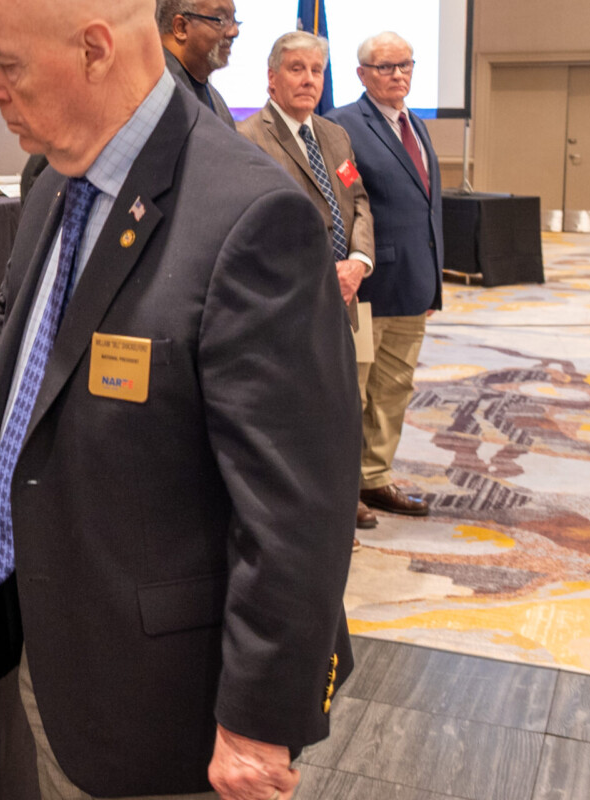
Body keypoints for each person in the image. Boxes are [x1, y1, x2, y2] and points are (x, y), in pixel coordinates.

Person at [0, 0, 358, 797]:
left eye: (5, 63)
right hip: (56, 636)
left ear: (95, 51)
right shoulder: (57, 177)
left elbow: (300, 506)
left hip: (174, 703)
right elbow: (23, 322)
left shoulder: (251, 217)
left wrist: (257, 720)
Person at [236, 31, 377, 538]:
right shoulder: (246, 137)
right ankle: (298, 516)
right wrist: (324, 272)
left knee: (344, 404)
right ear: (271, 77)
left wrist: (358, 261)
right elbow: (251, 227)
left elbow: (357, 201)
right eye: (296, 69)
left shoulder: (335, 135)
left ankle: (339, 500)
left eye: (316, 71)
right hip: (289, 304)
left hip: (346, 294)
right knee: (294, 412)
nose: (309, 80)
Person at [326, 32, 442, 522]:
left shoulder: (416, 125)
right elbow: (346, 205)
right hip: (368, 284)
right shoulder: (342, 126)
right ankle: (342, 488)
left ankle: (375, 477)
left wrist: (434, 279)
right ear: (362, 75)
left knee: (394, 388)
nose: (399, 75)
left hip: (414, 283)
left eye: (406, 65)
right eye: (386, 67)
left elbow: (426, 206)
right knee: (353, 391)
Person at [156, 0, 237, 127]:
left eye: (233, 21)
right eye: (220, 20)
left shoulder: (216, 99)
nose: (234, 32)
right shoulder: (154, 93)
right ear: (181, 28)